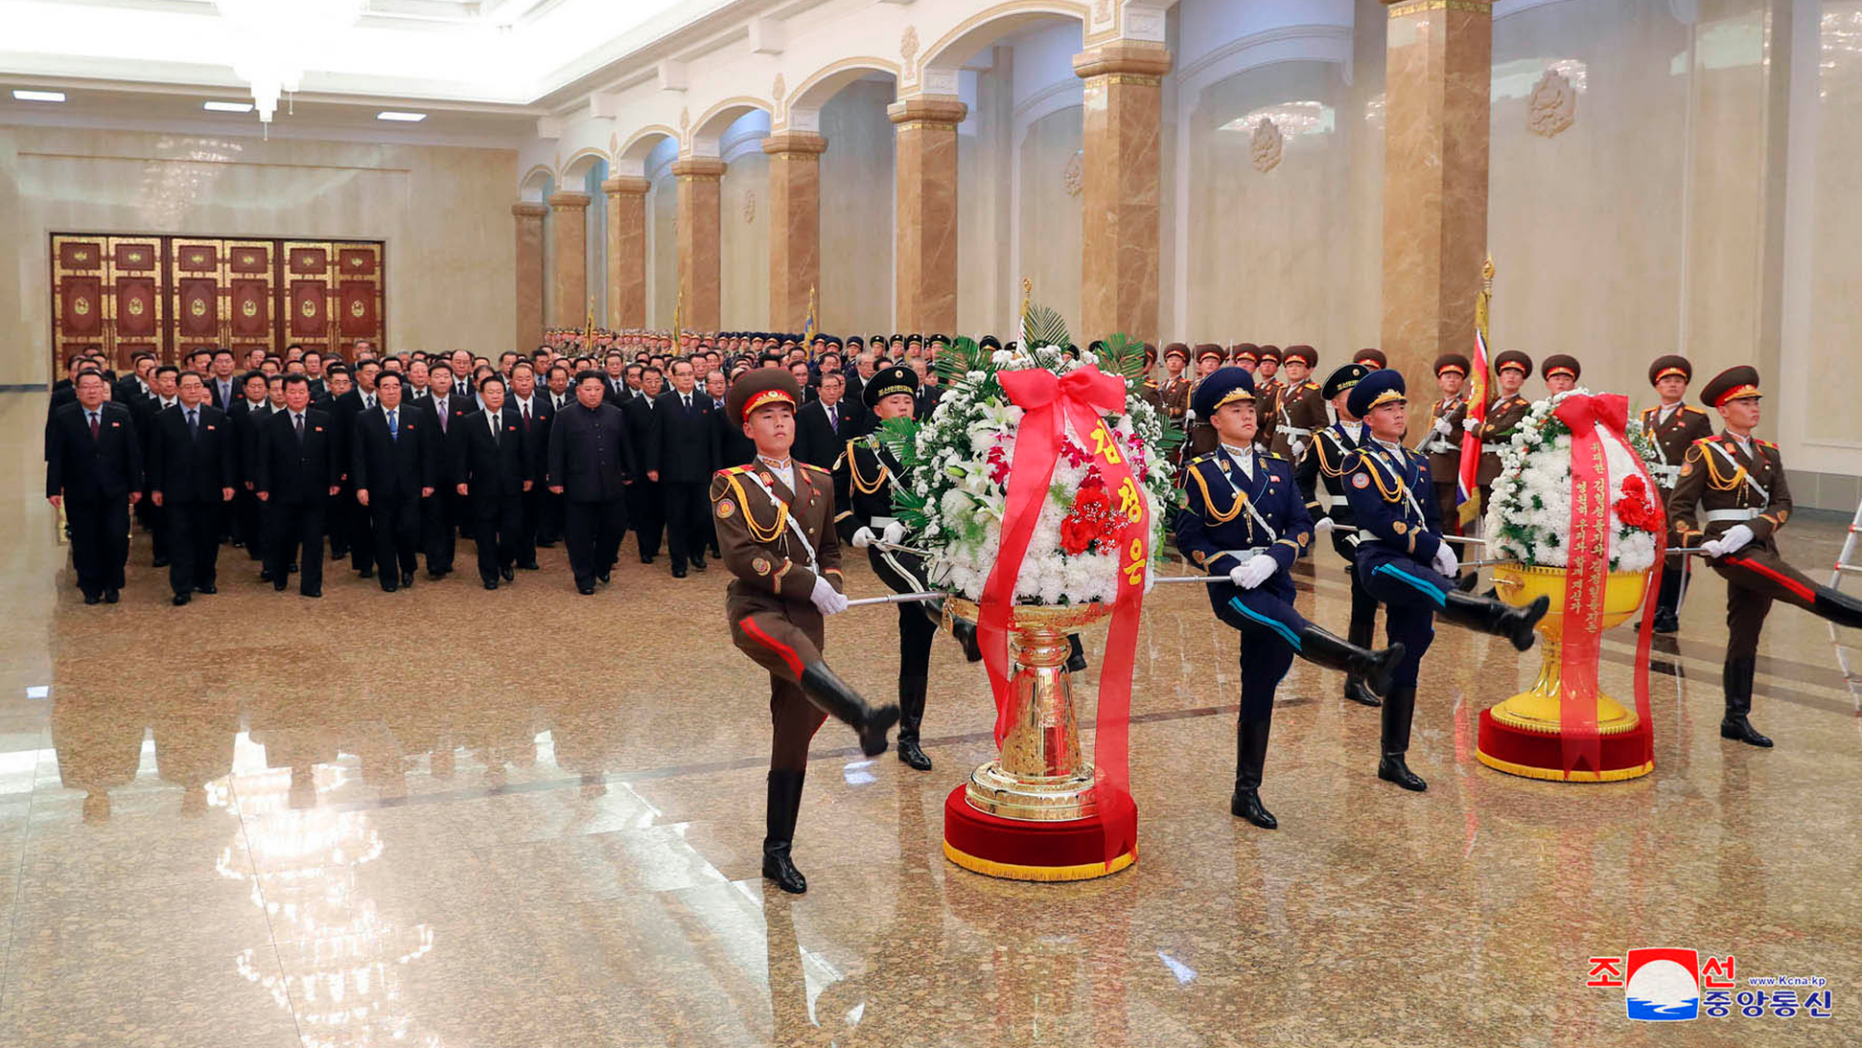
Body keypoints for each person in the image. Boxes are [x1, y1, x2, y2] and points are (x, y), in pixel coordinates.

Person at [1176, 367, 1406, 828]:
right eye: (1234, 410)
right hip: (1235, 588)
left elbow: (1301, 526)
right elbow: (1188, 537)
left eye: (1249, 408)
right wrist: (1228, 567)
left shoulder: (1277, 470)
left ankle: (1247, 791)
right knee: (1282, 624)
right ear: (1215, 421)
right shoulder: (1199, 473)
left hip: (1275, 579)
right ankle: (1361, 663)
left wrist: (1275, 558)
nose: (1246, 415)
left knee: (1261, 683)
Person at [711, 368, 898, 895]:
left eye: (786, 415)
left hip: (807, 617)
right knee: (792, 649)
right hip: (757, 610)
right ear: (749, 429)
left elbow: (831, 550)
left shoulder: (819, 480)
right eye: (766, 417)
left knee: (792, 735)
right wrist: (804, 583)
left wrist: (831, 584)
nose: (779, 424)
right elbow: (740, 555)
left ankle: (777, 853)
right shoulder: (733, 483)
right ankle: (863, 716)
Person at [1340, 369, 1549, 792]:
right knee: (1432, 588)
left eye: (1400, 406)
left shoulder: (1417, 462)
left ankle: (1392, 759)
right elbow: (1376, 519)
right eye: (1387, 408)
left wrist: (1438, 546)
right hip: (1380, 560)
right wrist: (1427, 547)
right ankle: (1503, 619)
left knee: (1408, 655)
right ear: (1368, 418)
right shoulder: (1358, 463)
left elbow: (1432, 516)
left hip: (1416, 563)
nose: (1398, 414)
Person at [1667, 366, 1862, 748]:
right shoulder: (1704, 451)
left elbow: (1784, 503)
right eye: (1745, 401)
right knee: (1795, 584)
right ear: (1724, 409)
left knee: (1745, 634)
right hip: (1727, 549)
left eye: (1756, 400)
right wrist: (1697, 540)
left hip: (1758, 544)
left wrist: (1755, 528)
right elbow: (1680, 507)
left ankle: (1734, 718)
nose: (1754, 407)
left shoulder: (1768, 452)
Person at [833, 365, 983, 773]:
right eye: (893, 402)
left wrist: (920, 519)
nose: (902, 407)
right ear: (878, 410)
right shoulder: (858, 449)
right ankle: (964, 629)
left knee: (915, 642)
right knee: (918, 585)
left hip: (927, 539)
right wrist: (855, 530)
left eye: (907, 401)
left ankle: (909, 739)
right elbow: (838, 502)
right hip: (886, 544)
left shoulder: (931, 447)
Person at [1297, 362, 1384, 707]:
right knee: (1368, 590)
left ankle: (1374, 666)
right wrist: (1316, 513)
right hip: (1346, 523)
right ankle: (1357, 676)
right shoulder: (1323, 440)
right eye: (1352, 395)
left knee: (1377, 595)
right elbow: (1301, 481)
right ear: (1335, 402)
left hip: (1383, 520)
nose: (1360, 400)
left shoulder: (1379, 434)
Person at [45, 370, 142, 604]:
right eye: (85, 387)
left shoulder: (120, 413)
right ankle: (90, 586)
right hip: (80, 489)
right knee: (85, 540)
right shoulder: (64, 415)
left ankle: (113, 584)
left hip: (115, 489)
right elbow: (56, 455)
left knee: (116, 537)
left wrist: (136, 486)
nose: (91, 391)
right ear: (77, 391)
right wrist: (54, 488)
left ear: (104, 389)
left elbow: (132, 453)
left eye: (96, 386)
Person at [1639, 355, 1714, 634]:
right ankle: (1653, 610)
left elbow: (1705, 455)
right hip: (1652, 493)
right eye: (1667, 380)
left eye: (1678, 381)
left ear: (1685, 386)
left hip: (1679, 493)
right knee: (1653, 552)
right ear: (1657, 386)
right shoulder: (1647, 417)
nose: (1672, 385)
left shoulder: (1695, 418)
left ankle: (1671, 611)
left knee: (1677, 551)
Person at [146, 371, 235, 605]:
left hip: (210, 489)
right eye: (187, 386)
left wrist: (228, 482)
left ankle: (206, 579)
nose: (193, 390)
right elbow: (155, 457)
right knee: (179, 539)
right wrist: (156, 488)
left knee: (208, 538)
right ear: (177, 389)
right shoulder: (162, 418)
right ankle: (182, 587)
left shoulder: (217, 417)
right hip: (176, 490)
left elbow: (226, 455)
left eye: (197, 386)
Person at [253, 375, 341, 597]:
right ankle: (279, 574)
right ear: (283, 394)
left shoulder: (324, 419)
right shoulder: (270, 422)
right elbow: (263, 457)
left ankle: (311, 585)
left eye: (301, 392)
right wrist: (263, 486)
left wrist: (334, 480)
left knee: (314, 540)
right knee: (283, 537)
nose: (297, 396)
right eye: (292, 392)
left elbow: (333, 453)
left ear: (308, 394)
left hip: (316, 490)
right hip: (282, 491)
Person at [548, 370, 635, 595]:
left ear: (603, 390)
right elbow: (556, 451)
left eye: (597, 389)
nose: (593, 394)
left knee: (614, 529)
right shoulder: (564, 415)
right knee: (579, 535)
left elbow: (625, 446)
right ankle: (584, 577)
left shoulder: (615, 414)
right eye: (588, 389)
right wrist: (555, 479)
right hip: (578, 485)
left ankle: (603, 565)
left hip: (612, 484)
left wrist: (630, 471)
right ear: (577, 391)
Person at [352, 372, 436, 593]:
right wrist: (361, 486)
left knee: (408, 529)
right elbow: (358, 456)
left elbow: (427, 451)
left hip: (411, 487)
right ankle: (388, 576)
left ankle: (408, 566)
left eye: (396, 386)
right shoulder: (364, 418)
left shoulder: (416, 414)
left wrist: (428, 482)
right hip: (379, 488)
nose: (391, 391)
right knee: (383, 533)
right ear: (377, 391)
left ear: (402, 389)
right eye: (386, 387)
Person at [453, 374, 530, 590]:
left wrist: (528, 476)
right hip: (482, 486)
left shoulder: (514, 418)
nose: (496, 396)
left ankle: (504, 561)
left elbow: (525, 451)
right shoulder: (470, 421)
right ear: (481, 395)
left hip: (512, 486)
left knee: (512, 531)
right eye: (491, 392)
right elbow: (462, 454)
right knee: (484, 533)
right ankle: (489, 575)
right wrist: (461, 478)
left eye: (499, 392)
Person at [650, 358, 721, 578]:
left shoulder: (705, 401)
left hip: (701, 471)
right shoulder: (663, 402)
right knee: (676, 518)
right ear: (671, 377)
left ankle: (697, 554)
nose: (687, 378)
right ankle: (678, 562)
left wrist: (717, 467)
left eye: (690, 373)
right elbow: (655, 437)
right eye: (681, 374)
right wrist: (652, 466)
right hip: (673, 471)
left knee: (701, 516)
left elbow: (713, 438)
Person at [421, 363, 474, 579]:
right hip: (429, 472)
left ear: (452, 380)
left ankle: (447, 558)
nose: (442, 380)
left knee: (451, 518)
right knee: (433, 518)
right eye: (437, 376)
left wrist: (467, 471)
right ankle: (435, 562)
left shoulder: (465, 403)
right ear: (429, 380)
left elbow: (470, 440)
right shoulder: (418, 406)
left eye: (446, 376)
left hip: (457, 472)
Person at [1469, 349, 1532, 512]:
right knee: (1485, 511)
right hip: (1484, 466)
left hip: (1502, 466)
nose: (1511, 377)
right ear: (1500, 377)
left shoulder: (1522, 406)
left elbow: (1501, 431)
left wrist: (1476, 428)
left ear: (1523, 380)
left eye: (1517, 373)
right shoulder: (1490, 404)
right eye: (1507, 372)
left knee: (1502, 512)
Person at [506, 361, 552, 570]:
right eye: (519, 379)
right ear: (511, 382)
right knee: (512, 518)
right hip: (511, 473)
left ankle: (528, 556)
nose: (524, 383)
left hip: (538, 472)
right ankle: (508, 554)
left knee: (532, 516)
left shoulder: (545, 406)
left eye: (528, 378)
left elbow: (551, 443)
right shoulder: (503, 405)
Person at [621, 366, 666, 565]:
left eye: (657, 380)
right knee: (643, 509)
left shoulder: (667, 403)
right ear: (640, 382)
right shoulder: (631, 406)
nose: (653, 385)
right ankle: (645, 548)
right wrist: (629, 468)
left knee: (661, 508)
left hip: (665, 466)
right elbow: (627, 440)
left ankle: (655, 544)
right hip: (640, 466)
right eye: (648, 381)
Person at [1421, 354, 1471, 530]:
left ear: (1462, 382)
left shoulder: (1466, 405)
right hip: (1433, 465)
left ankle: (1454, 555)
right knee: (1431, 513)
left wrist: (1450, 432)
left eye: (1456, 377)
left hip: (1452, 466)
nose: (1452, 380)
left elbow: (1469, 440)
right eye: (1447, 377)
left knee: (1449, 515)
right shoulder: (1437, 405)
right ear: (1439, 382)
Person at [794, 372, 857, 468]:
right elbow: (800, 446)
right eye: (828, 388)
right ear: (819, 390)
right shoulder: (805, 413)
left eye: (835, 388)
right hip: (818, 469)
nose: (832, 392)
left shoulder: (849, 410)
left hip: (845, 469)